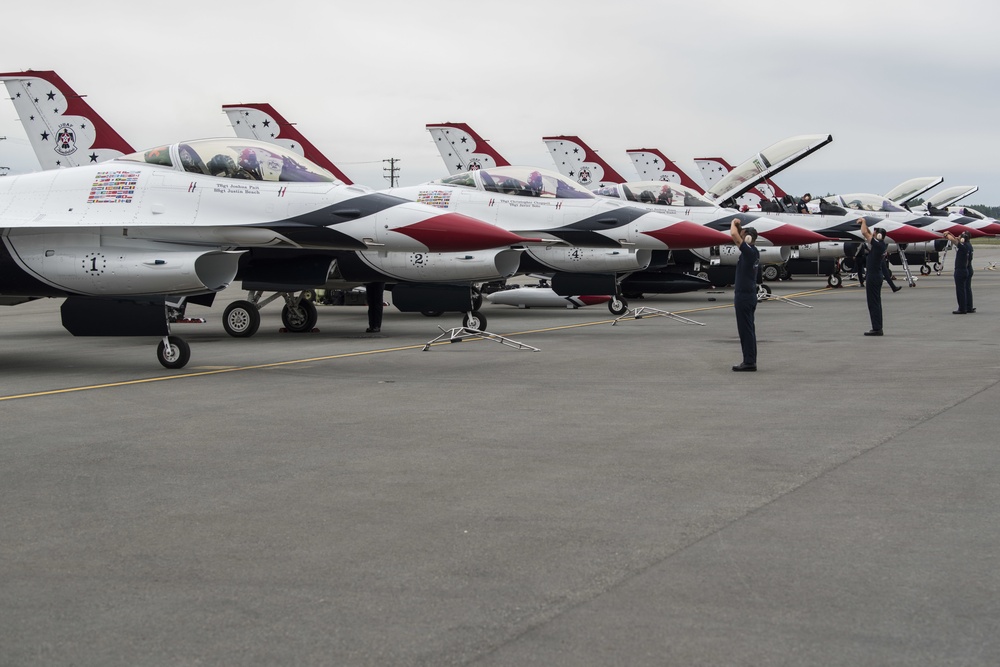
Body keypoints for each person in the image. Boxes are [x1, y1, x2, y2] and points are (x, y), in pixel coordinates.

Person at [729, 218, 760, 371]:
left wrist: (733, 222)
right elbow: (738, 236)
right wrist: (740, 227)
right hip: (749, 295)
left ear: (747, 238)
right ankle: (750, 360)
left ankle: (749, 362)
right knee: (749, 330)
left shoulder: (748, 252)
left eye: (743, 235)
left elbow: (734, 235)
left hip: (744, 296)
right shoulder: (753, 251)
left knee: (745, 330)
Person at [859, 218, 887, 335]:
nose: (873, 233)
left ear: (879, 235)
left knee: (873, 303)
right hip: (876, 275)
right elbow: (869, 234)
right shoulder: (880, 244)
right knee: (876, 302)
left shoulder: (878, 245)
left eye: (876, 233)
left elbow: (865, 233)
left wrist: (863, 222)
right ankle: (877, 327)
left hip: (873, 276)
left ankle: (877, 328)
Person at [943, 230, 975, 313]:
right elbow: (956, 240)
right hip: (967, 269)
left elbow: (954, 241)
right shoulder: (968, 245)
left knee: (960, 290)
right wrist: (951, 234)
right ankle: (968, 307)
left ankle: (962, 308)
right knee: (967, 289)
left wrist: (946, 235)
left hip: (960, 270)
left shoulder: (962, 246)